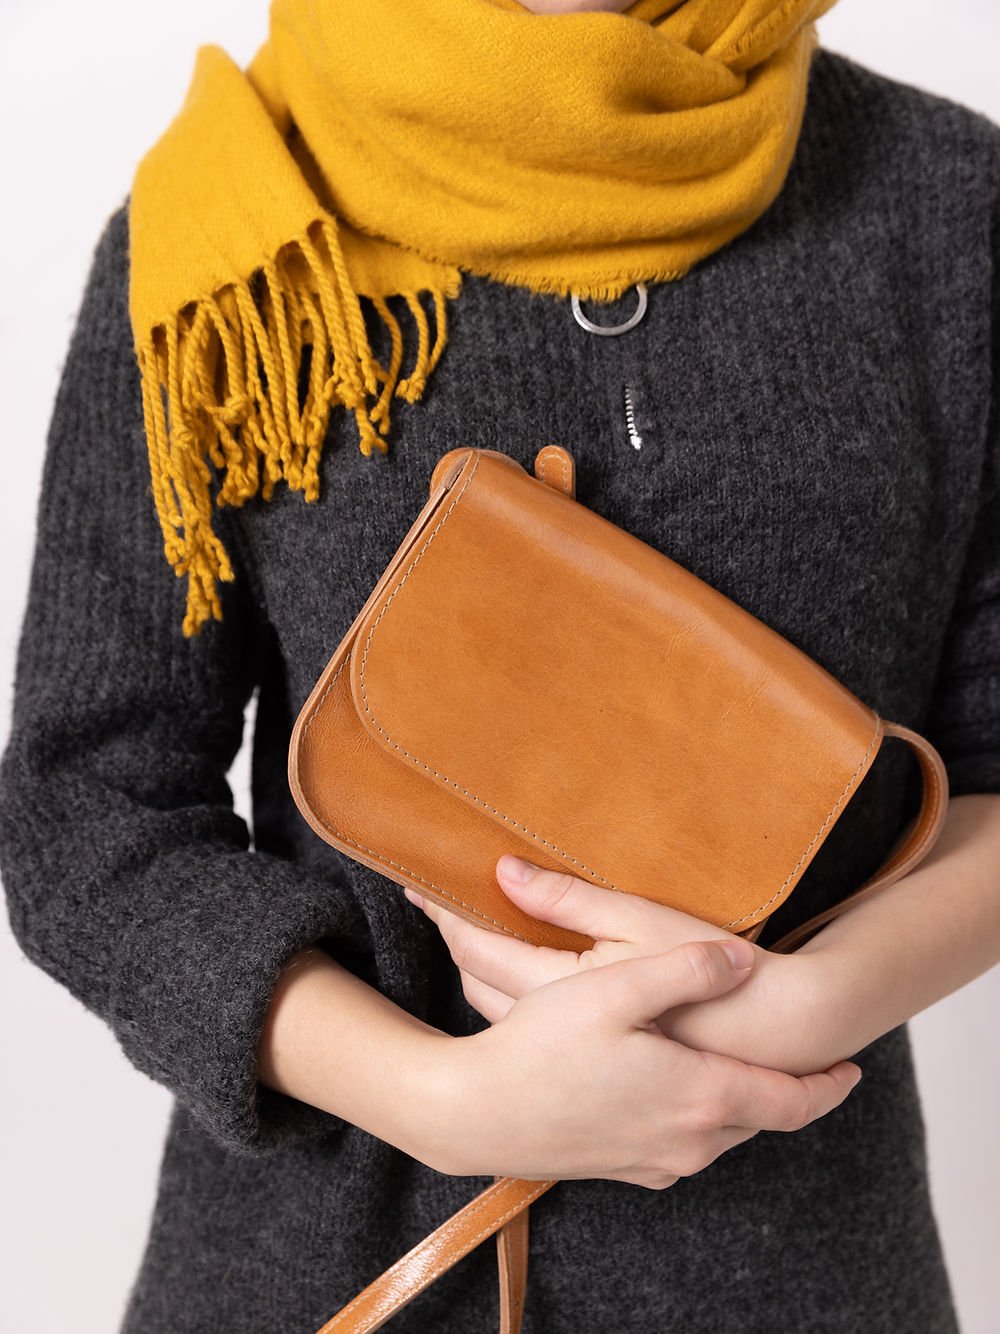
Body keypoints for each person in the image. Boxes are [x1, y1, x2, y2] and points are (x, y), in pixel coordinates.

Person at [1, 0, 998, 1329]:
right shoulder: (243, 233)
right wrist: (444, 1097)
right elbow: (84, 808)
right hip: (325, 1269)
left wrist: (806, 1004)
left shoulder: (942, 203)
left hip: (803, 1274)